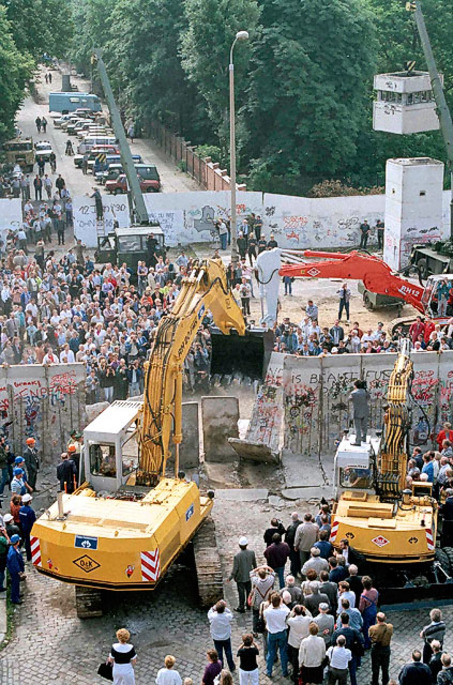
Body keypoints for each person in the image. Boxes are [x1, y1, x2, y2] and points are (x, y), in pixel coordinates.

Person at [263, 593, 290, 677]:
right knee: (283, 652)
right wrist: (282, 604)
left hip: (271, 633)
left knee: (271, 652)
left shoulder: (267, 611)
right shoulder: (284, 611)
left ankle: (269, 671)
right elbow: (288, 610)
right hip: (282, 633)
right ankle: (285, 671)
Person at [228, 536, 256, 613]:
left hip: (240, 577)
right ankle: (248, 604)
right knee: (248, 591)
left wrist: (230, 577)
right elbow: (254, 564)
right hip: (249, 576)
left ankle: (241, 607)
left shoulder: (237, 556)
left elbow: (235, 569)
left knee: (241, 593)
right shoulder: (252, 553)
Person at [207, 600, 235, 672]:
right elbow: (231, 613)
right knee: (228, 652)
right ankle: (231, 666)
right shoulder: (227, 616)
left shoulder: (213, 616)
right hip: (226, 637)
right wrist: (225, 607)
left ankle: (220, 667)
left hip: (216, 638)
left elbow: (209, 612)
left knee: (219, 654)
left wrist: (214, 607)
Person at [368, 611, 393, 685]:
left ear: (377, 619)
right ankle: (385, 682)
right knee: (385, 668)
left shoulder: (372, 628)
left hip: (377, 650)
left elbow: (370, 636)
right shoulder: (390, 627)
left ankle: (375, 682)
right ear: (385, 618)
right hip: (386, 649)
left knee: (375, 668)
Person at [249, 566, 275, 635]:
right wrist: (266, 567)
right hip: (267, 602)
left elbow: (251, 573)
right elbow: (273, 572)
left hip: (258, 602)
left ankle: (255, 631)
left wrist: (258, 568)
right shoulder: (270, 580)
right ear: (265, 574)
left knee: (255, 615)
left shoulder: (256, 581)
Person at [359, 576, 378, 649]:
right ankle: (373, 639)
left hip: (367, 613)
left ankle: (367, 643)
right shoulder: (375, 591)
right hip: (373, 610)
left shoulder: (363, 595)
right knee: (373, 625)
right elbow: (376, 601)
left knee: (366, 628)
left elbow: (361, 608)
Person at [349, 379, 370, 445]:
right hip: (365, 411)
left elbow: (349, 399)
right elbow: (368, 398)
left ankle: (358, 441)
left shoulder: (353, 393)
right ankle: (364, 438)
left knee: (357, 427)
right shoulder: (365, 392)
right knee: (364, 426)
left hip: (356, 411)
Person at [7, 533, 24, 604]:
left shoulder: (14, 548)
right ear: (17, 542)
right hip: (14, 571)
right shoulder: (13, 553)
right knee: (15, 584)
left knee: (17, 584)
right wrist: (19, 571)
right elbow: (15, 564)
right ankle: (14, 598)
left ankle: (17, 594)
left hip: (14, 570)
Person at [19, 493, 36, 561]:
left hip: (23, 526)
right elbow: (33, 520)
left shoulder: (21, 509)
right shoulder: (30, 511)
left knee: (26, 541)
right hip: (29, 527)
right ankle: (30, 556)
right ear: (29, 501)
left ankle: (28, 556)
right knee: (29, 542)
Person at [285, 512, 302, 577]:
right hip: (300, 545)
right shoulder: (301, 524)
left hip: (293, 546)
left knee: (294, 560)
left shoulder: (291, 527)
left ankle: (294, 572)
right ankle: (299, 570)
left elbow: (289, 538)